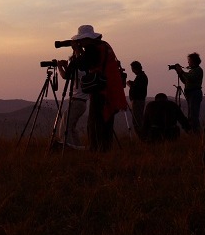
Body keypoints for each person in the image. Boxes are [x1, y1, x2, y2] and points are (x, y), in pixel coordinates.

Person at [68, 24, 128, 152]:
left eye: (81, 40)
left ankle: (97, 150)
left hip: (102, 91)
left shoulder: (92, 49)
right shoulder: (103, 46)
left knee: (96, 122)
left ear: (87, 39)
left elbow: (83, 64)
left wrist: (77, 52)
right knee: (105, 122)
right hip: (110, 89)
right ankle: (105, 150)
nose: (80, 43)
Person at [52, 65, 88, 149]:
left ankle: (67, 146)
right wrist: (65, 66)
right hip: (80, 102)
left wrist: (59, 66)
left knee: (65, 125)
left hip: (77, 102)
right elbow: (70, 74)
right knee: (71, 127)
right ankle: (78, 147)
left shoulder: (79, 71)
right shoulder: (83, 71)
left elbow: (65, 76)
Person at [172, 53, 204, 134]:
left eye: (189, 61)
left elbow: (191, 78)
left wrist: (181, 71)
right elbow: (185, 81)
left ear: (193, 61)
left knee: (193, 115)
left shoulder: (198, 70)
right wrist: (179, 73)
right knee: (191, 115)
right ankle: (193, 132)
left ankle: (196, 133)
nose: (188, 63)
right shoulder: (192, 71)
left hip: (194, 93)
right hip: (191, 94)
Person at [126, 60, 148, 138]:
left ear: (135, 68)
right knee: (138, 119)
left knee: (137, 121)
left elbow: (137, 89)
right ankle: (143, 137)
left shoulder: (141, 77)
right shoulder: (141, 76)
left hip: (137, 101)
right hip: (139, 100)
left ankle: (142, 137)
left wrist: (130, 85)